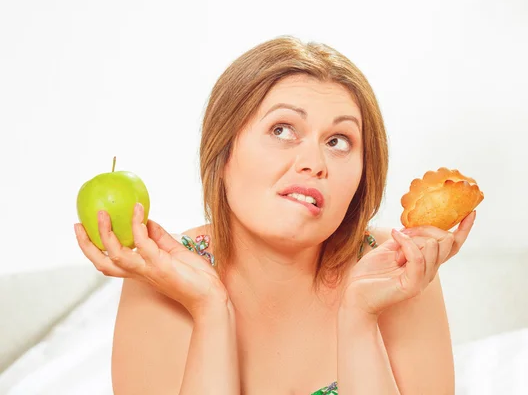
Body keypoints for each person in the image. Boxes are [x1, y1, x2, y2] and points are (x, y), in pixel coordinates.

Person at [74, 35, 476, 395]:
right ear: (224, 150)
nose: (313, 163)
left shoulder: (399, 268)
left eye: (338, 141)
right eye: (282, 130)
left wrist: (360, 316)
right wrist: (210, 308)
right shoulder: (162, 279)